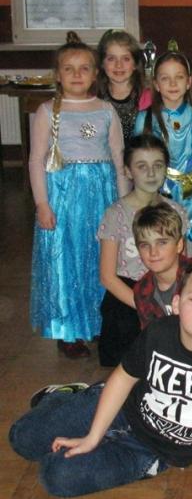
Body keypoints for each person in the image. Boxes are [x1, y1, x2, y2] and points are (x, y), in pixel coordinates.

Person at [10, 261, 192, 498]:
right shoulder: (159, 332)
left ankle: (90, 430)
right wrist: (93, 437)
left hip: (152, 451)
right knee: (22, 437)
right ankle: (68, 396)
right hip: (122, 407)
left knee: (56, 476)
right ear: (177, 304)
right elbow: (123, 378)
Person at [29, 31, 129, 359]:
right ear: (58, 75)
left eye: (84, 68)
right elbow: (36, 160)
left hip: (101, 197)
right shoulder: (47, 111)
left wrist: (124, 206)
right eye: (68, 69)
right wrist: (42, 204)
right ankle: (69, 328)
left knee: (101, 256)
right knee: (68, 260)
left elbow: (118, 159)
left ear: (95, 73)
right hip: (63, 199)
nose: (76, 74)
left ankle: (100, 321)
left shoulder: (106, 110)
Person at [97, 134, 188, 366]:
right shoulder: (116, 214)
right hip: (128, 294)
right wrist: (146, 306)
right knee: (133, 360)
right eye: (141, 166)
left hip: (166, 290)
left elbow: (182, 262)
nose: (151, 173)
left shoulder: (176, 211)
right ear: (128, 171)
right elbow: (107, 277)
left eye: (157, 165)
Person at [135, 51, 192, 258]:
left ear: (189, 82)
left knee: (188, 258)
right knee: (156, 254)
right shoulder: (145, 119)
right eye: (165, 78)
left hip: (191, 197)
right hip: (155, 198)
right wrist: (149, 200)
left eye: (179, 77)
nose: (173, 83)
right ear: (156, 84)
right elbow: (136, 164)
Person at [132, 202, 192, 329]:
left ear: (179, 245)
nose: (153, 252)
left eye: (162, 243)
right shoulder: (141, 290)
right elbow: (151, 334)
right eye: (145, 245)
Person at [95, 29, 151, 141]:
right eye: (111, 59)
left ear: (135, 64)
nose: (119, 65)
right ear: (102, 63)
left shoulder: (148, 98)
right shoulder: (94, 97)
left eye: (126, 59)